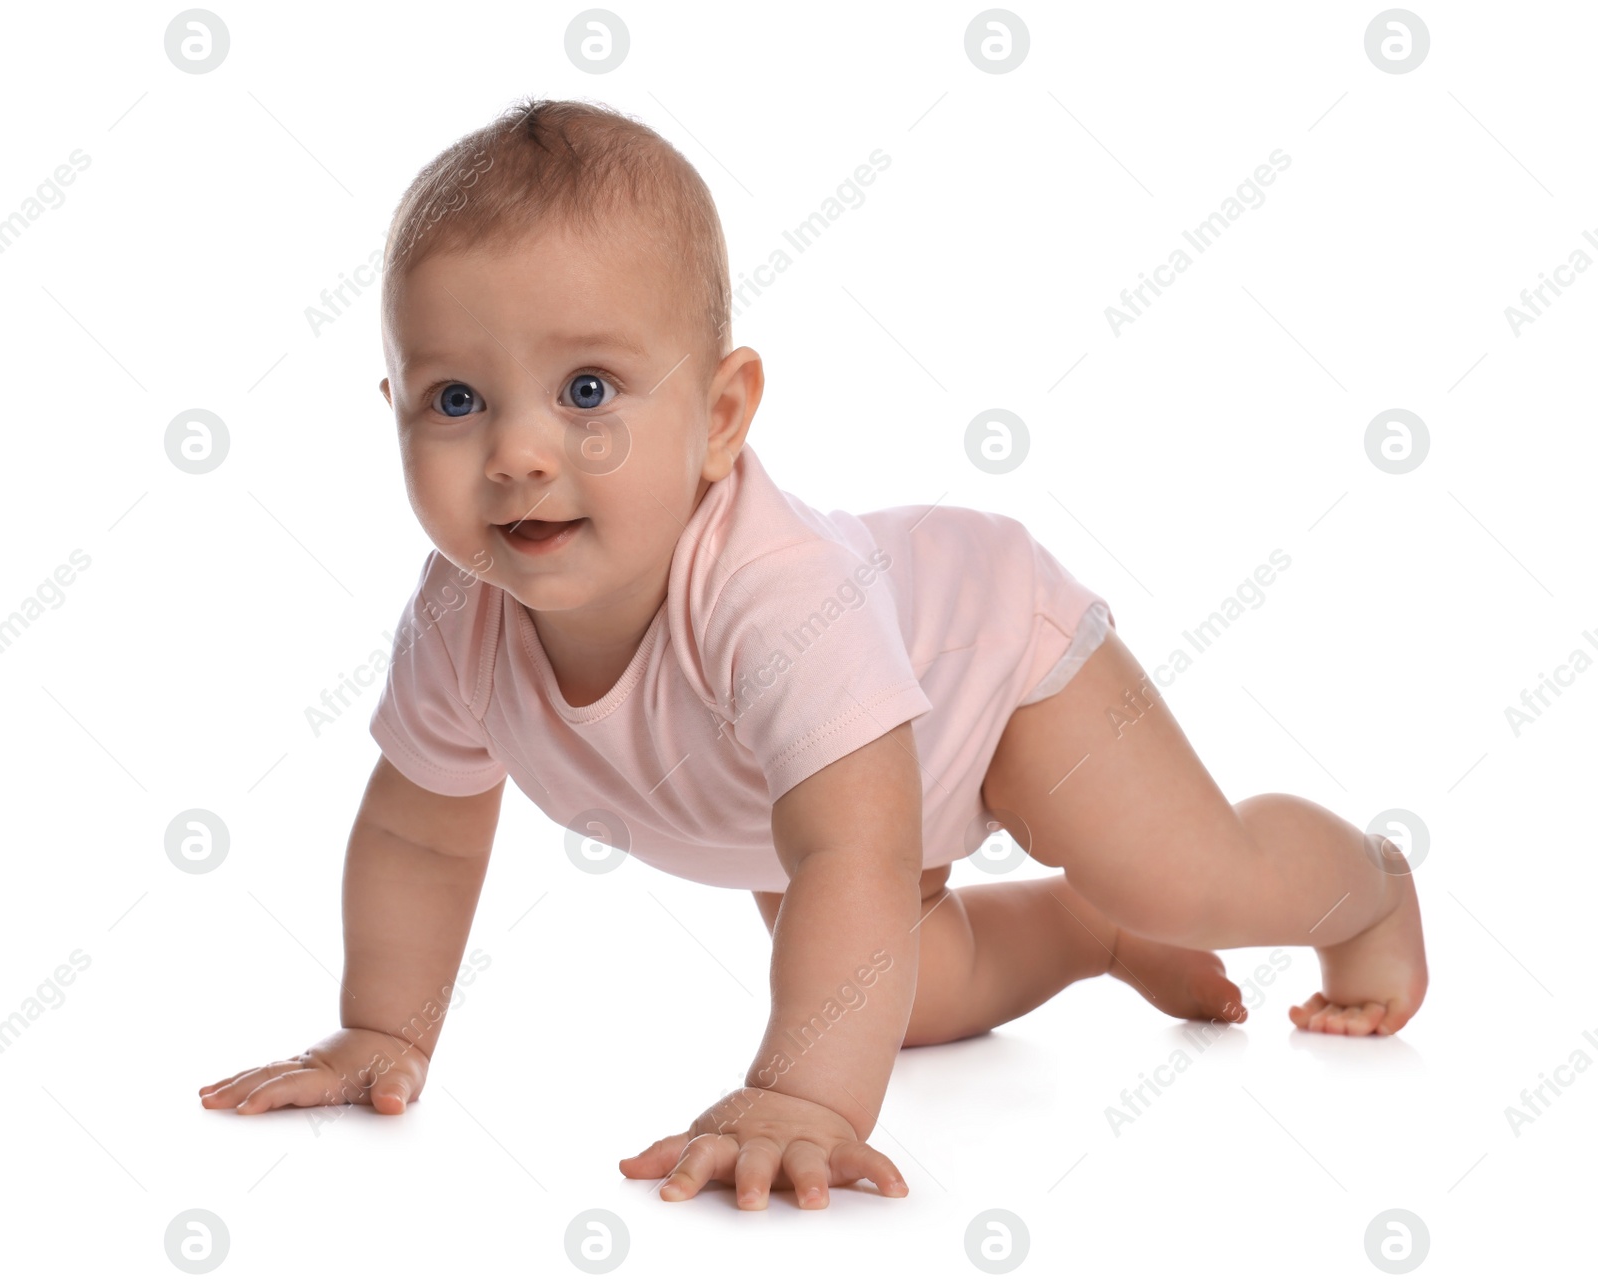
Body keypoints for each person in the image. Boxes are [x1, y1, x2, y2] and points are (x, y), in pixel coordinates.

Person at [198, 96, 1428, 1212]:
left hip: (989, 672)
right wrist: (379, 1030)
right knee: (909, 996)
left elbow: (855, 849)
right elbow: (422, 830)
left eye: (585, 390)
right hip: (807, 794)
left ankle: (1365, 884)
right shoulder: (460, 616)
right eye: (456, 400)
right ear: (395, 410)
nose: (517, 452)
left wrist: (804, 1098)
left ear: (720, 417)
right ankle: (1087, 936)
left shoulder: (775, 600)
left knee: (1182, 876)